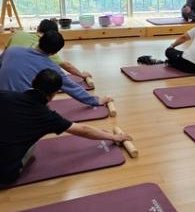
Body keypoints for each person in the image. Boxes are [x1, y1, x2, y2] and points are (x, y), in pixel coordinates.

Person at [0, 69, 131, 187]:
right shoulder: (48, 118)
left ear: (33, 80)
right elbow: (83, 130)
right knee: (31, 145)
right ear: (54, 94)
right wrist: (114, 137)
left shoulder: (5, 95)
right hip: (5, 175)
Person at [0, 30, 111, 106]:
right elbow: (72, 87)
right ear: (54, 53)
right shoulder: (51, 68)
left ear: (39, 40)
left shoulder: (12, 50)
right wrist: (96, 101)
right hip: (19, 108)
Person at [4, 19, 92, 80]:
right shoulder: (45, 47)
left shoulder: (18, 34)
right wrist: (82, 75)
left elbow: (5, 52)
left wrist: (15, 30)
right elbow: (66, 66)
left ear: (38, 28)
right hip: (20, 82)